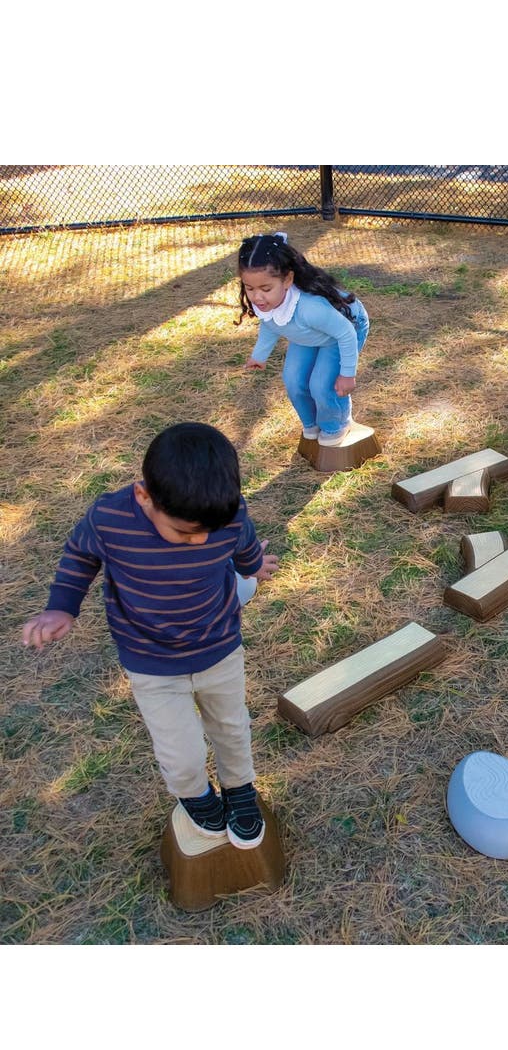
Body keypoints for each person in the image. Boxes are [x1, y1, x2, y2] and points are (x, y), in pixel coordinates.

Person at [21, 423, 279, 849]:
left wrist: (252, 566)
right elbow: (80, 554)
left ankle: (240, 790)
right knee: (182, 754)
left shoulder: (227, 514)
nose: (197, 540)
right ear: (144, 497)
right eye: (183, 532)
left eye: (206, 533)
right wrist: (61, 606)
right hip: (151, 660)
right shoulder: (110, 519)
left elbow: (243, 543)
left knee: (232, 728)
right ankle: (197, 797)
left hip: (219, 647)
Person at [235, 232, 370, 445]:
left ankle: (336, 425)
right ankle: (312, 423)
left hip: (343, 332)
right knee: (293, 380)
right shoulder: (267, 303)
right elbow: (270, 323)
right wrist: (259, 355)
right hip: (309, 334)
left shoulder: (310, 308)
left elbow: (346, 334)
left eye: (265, 288)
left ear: (288, 279)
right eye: (249, 288)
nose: (257, 297)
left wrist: (346, 375)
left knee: (321, 384)